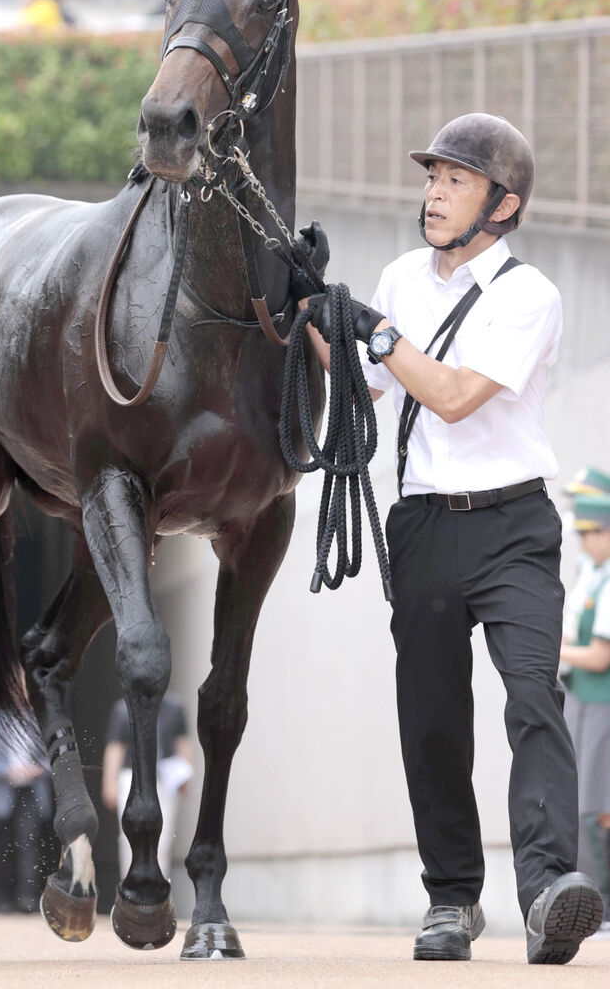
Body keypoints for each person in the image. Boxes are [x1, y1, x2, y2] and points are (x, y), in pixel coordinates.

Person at [303, 113, 603, 963]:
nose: (433, 194)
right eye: (431, 178)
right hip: (425, 522)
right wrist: (297, 304)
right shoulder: (401, 274)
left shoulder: (528, 295)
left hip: (513, 524)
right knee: (430, 716)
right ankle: (451, 901)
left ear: (501, 205)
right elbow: (360, 382)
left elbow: (456, 394)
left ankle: (548, 892)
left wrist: (381, 333)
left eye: (455, 181)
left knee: (533, 698)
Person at [560, 493, 610, 935]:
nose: (583, 541)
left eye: (590, 533)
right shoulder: (589, 572)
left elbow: (598, 656)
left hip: (602, 700)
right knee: (580, 803)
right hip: (580, 697)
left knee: (597, 809)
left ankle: (604, 907)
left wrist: (553, 649)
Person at [101, 692, 194, 880]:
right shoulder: (123, 709)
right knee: (129, 836)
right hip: (130, 776)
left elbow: (183, 743)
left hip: (165, 778)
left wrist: (186, 776)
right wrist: (109, 782)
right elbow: (115, 747)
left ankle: (159, 888)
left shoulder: (174, 709)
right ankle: (130, 885)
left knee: (163, 837)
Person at [0, 709, 54, 913]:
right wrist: (7, 770)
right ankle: (1, 899)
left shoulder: (39, 718)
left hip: (31, 789)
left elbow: (55, 753)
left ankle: (28, 897)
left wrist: (37, 769)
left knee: (29, 844)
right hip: (0, 789)